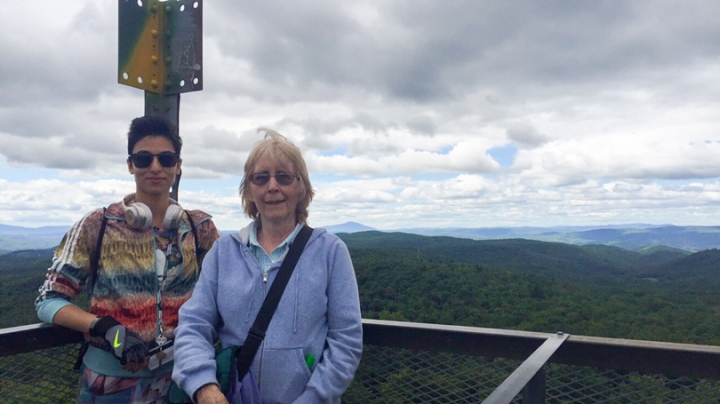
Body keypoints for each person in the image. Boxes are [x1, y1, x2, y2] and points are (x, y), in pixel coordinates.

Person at [35, 116, 221, 404]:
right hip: (110, 386)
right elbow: (48, 300)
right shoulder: (98, 224)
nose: (155, 167)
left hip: (181, 380)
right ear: (130, 164)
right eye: (144, 158)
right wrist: (107, 329)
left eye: (166, 158)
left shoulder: (199, 228)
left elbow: (226, 293)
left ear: (178, 165)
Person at [172, 130, 363, 404]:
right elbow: (194, 325)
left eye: (283, 177)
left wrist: (313, 398)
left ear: (301, 188)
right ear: (250, 191)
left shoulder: (330, 252)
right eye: (261, 178)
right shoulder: (223, 253)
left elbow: (346, 340)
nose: (272, 186)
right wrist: (204, 386)